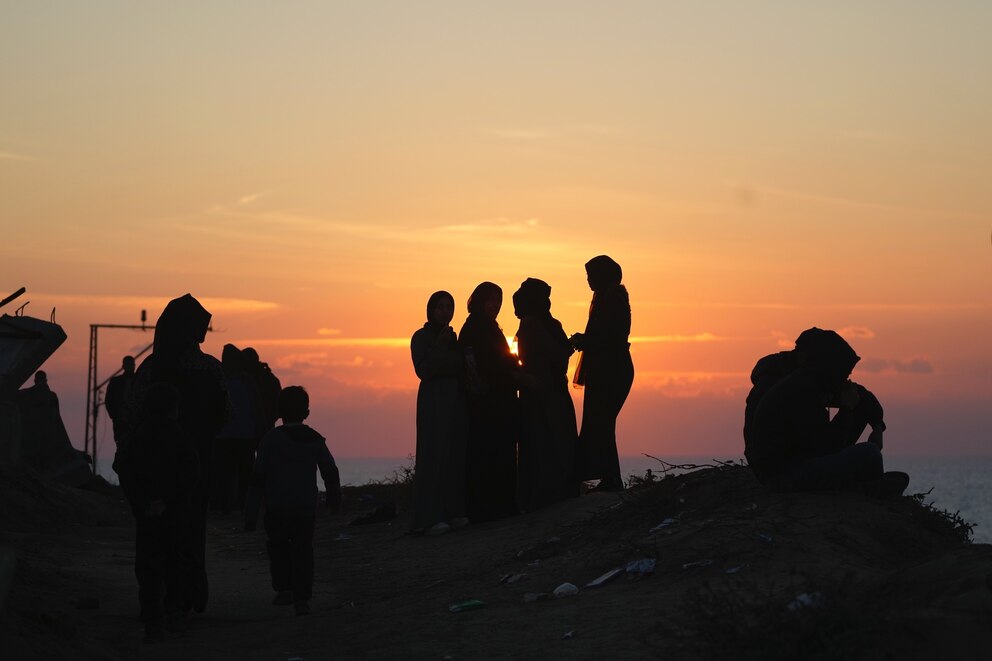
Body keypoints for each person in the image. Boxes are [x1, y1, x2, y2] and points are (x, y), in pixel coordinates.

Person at [127, 293, 228, 614]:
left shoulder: (151, 368)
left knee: (152, 535)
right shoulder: (211, 369)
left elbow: (130, 413)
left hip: (152, 468)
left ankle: (157, 601)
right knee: (191, 530)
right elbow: (226, 416)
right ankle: (189, 596)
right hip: (196, 466)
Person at [746, 329, 907, 495]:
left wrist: (877, 426)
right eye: (843, 373)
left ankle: (857, 482)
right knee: (869, 454)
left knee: (859, 411)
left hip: (795, 460)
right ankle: (861, 488)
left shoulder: (812, 381)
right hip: (781, 477)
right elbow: (825, 447)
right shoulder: (799, 390)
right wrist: (846, 409)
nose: (845, 379)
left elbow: (860, 396)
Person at [244, 386, 341, 616]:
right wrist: (334, 500)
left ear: (279, 411)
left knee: (278, 548)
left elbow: (257, 478)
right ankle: (302, 598)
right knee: (303, 551)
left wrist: (250, 514)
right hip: (305, 508)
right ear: (306, 412)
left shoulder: (270, 440)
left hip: (276, 507)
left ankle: (284, 588)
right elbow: (330, 471)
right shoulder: (316, 440)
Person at [113, 382, 199, 643]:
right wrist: (171, 501)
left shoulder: (136, 436)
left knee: (149, 567)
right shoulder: (180, 436)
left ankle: (153, 620)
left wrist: (143, 502)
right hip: (174, 512)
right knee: (175, 563)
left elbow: (122, 468)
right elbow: (192, 473)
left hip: (147, 513)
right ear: (174, 409)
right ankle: (173, 614)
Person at [513, 278, 579, 511]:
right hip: (552, 393)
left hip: (541, 396)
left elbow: (553, 358)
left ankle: (545, 497)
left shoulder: (532, 325)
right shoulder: (550, 324)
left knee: (543, 445)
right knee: (555, 445)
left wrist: (518, 373)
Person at [570, 256, 634, 492]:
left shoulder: (613, 300)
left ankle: (612, 479)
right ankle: (609, 477)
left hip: (613, 369)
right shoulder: (605, 299)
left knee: (603, 423)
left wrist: (585, 341)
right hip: (606, 369)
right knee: (602, 424)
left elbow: (610, 337)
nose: (588, 281)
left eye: (591, 276)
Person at [458, 282, 520, 522]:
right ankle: (487, 507)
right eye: (491, 300)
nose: (495, 305)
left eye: (498, 301)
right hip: (486, 403)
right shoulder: (474, 328)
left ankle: (500, 504)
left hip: (498, 400)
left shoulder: (490, 327)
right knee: (487, 453)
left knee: (500, 452)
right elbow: (477, 364)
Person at [410, 291, 468, 535]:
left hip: (454, 402)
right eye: (440, 307)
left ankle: (451, 511)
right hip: (433, 401)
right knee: (433, 454)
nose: (445, 312)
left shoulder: (454, 338)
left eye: (449, 307)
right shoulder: (421, 337)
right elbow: (423, 369)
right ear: (431, 310)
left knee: (452, 455)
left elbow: (461, 367)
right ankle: (429, 517)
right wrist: (440, 346)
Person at [212, 344, 265, 513]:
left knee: (238, 473)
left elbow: (256, 408)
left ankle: (238, 504)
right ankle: (232, 505)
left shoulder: (244, 380)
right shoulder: (223, 380)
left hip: (239, 435)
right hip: (231, 435)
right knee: (231, 474)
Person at [105, 356, 136, 445]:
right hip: (121, 420)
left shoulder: (138, 380)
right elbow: (109, 400)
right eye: (129, 364)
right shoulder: (115, 382)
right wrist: (115, 416)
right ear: (124, 366)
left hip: (133, 420)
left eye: (132, 364)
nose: (131, 367)